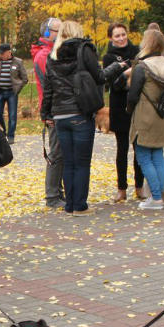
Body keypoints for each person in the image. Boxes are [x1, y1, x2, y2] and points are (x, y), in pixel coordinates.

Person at [40, 20, 126, 215]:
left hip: (60, 115)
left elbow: (49, 87)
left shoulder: (53, 55)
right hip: (80, 112)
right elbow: (100, 76)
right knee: (81, 162)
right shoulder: (83, 49)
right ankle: (80, 205)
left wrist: (46, 113)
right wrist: (118, 66)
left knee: (68, 162)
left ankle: (70, 204)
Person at [125, 29, 164, 211]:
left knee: (144, 156)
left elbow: (133, 94)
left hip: (144, 114)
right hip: (162, 115)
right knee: (157, 156)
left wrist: (128, 110)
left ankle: (155, 198)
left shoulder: (142, 67)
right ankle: (158, 195)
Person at [102, 22, 142, 203]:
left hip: (137, 104)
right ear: (111, 38)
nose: (121, 38)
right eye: (117, 36)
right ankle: (122, 188)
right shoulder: (109, 57)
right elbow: (112, 83)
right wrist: (127, 75)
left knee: (139, 148)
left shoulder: (137, 52)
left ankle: (140, 186)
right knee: (122, 149)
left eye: (123, 34)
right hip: (119, 105)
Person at [31, 17, 66, 209]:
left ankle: (57, 193)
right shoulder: (45, 56)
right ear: (47, 33)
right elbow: (50, 87)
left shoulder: (52, 52)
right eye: (57, 30)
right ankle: (52, 195)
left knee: (59, 152)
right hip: (53, 111)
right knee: (56, 153)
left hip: (55, 109)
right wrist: (49, 113)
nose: (61, 34)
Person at [0, 43, 27, 145]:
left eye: (3, 53)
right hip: (0, 92)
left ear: (9, 52)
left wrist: (17, 88)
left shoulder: (18, 62)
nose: (1, 55)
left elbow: (25, 78)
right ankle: (3, 132)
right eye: (0, 54)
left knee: (12, 115)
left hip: (12, 92)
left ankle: (11, 136)